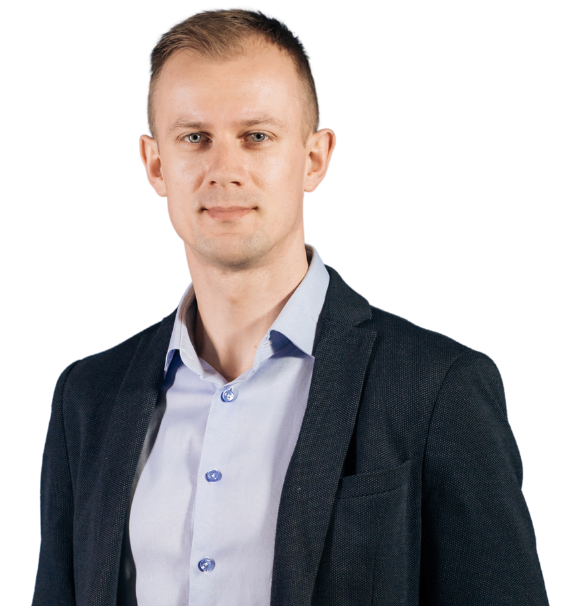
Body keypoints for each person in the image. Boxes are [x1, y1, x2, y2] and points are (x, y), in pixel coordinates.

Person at [32, 7, 549, 606]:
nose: (224, 171)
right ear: (154, 164)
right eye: (195, 138)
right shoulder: (87, 397)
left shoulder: (439, 387)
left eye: (256, 136)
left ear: (315, 159)